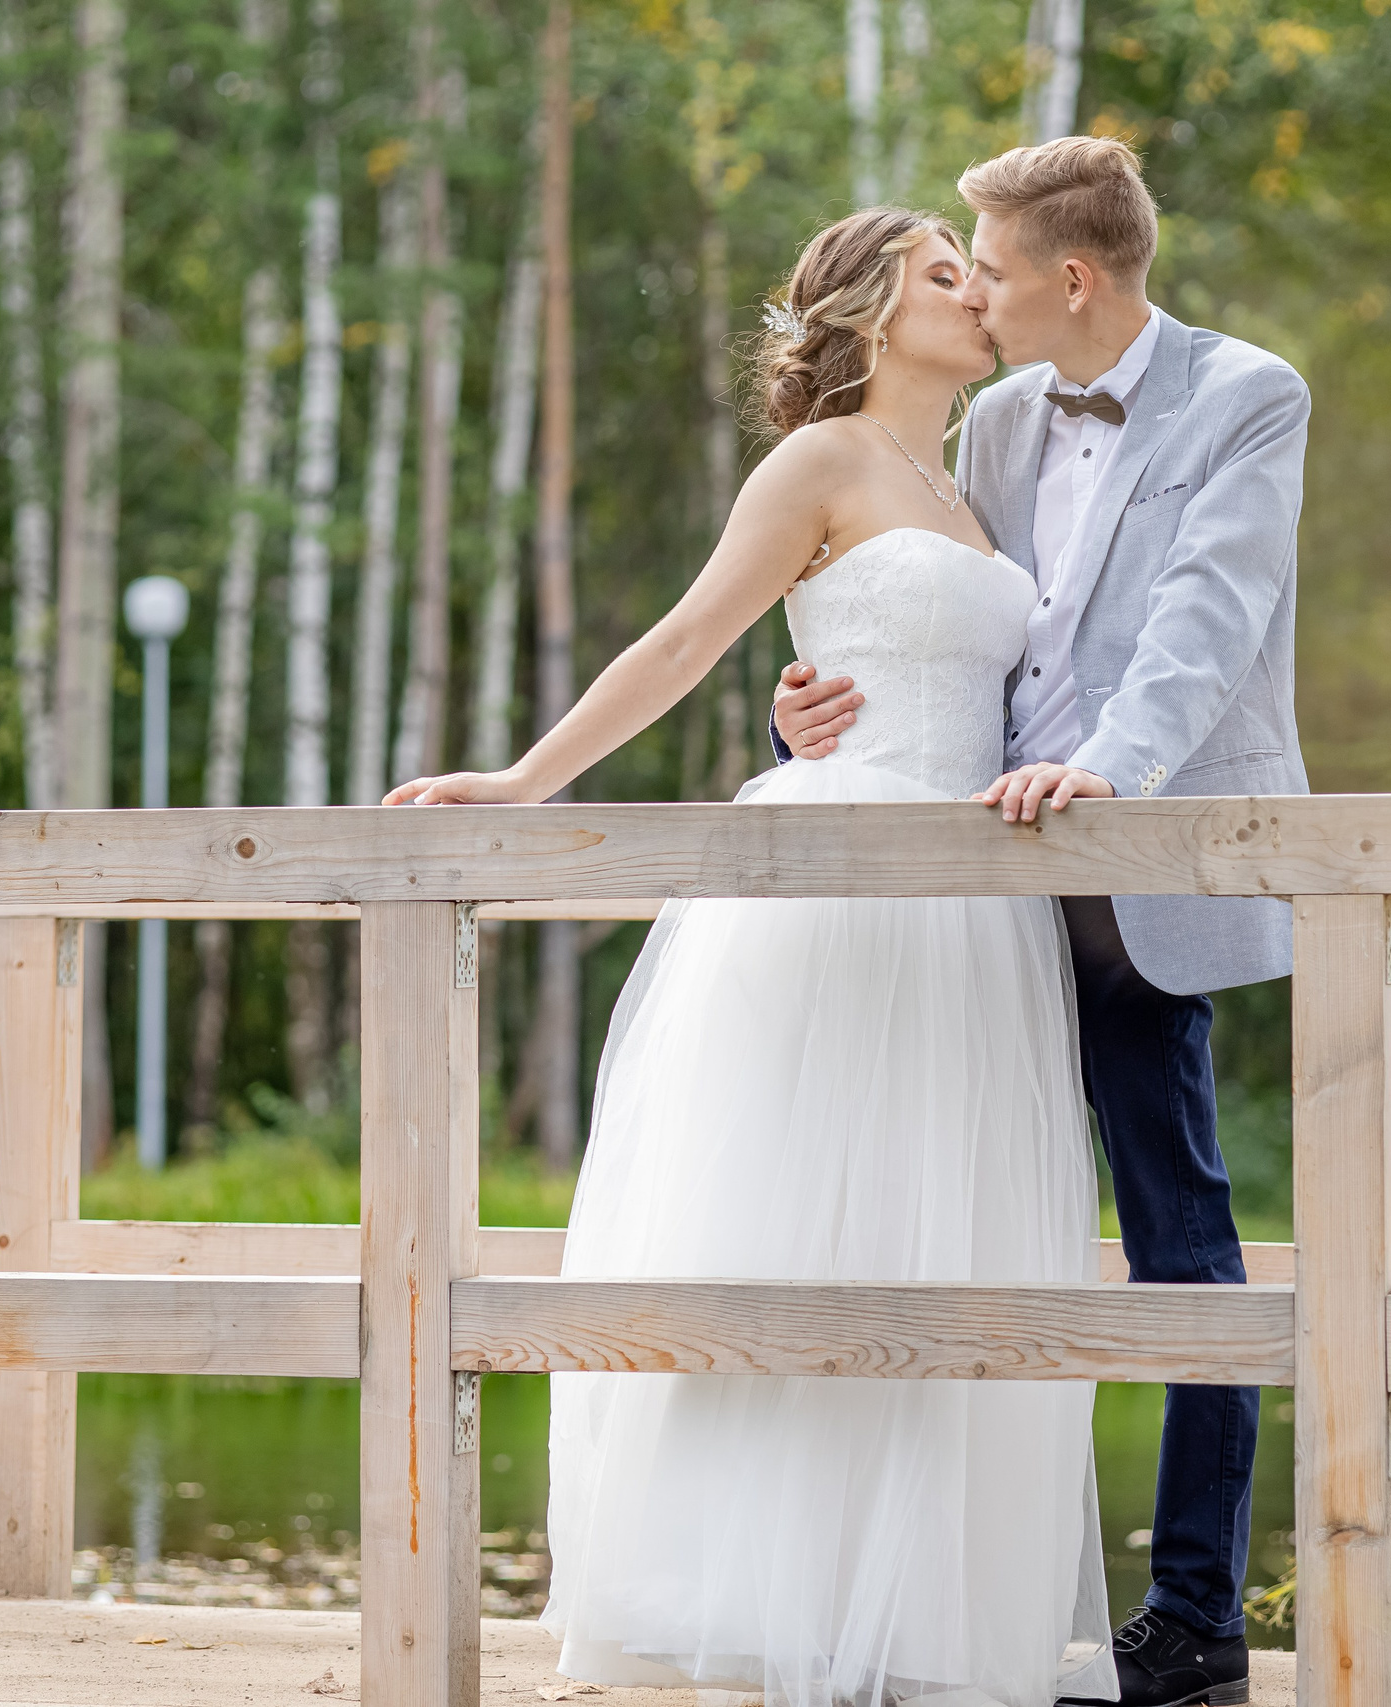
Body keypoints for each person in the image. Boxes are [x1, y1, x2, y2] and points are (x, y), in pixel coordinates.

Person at [387, 207, 1118, 1706]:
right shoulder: (821, 462)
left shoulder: (972, 480)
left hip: (973, 908)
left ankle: (907, 1611)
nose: (975, 291)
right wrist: (525, 783)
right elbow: (685, 638)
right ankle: (738, 1592)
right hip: (831, 886)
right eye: (943, 272)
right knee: (801, 1222)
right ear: (864, 309)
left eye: (973, 270)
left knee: (939, 1238)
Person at [770, 137, 1309, 1707]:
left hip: (1130, 871)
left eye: (988, 267)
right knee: (925, 1213)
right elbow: (919, 600)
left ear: (1070, 276)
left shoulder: (1246, 393)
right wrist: (814, 699)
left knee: (1183, 1238)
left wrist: (1111, 773)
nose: (977, 292)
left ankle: (1198, 1614)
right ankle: (914, 1600)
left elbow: (1216, 613)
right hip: (955, 884)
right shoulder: (991, 421)